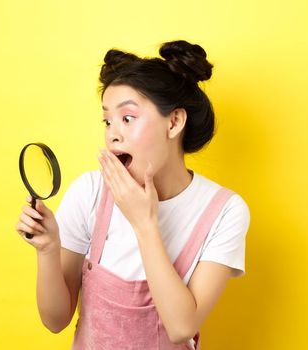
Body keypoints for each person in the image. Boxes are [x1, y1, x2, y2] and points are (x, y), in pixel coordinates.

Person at [14, 40, 250, 349]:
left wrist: (144, 223)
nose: (113, 133)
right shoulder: (89, 192)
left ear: (174, 122)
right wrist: (47, 250)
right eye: (107, 121)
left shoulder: (224, 210)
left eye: (128, 118)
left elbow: (181, 327)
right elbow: (55, 320)